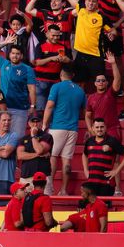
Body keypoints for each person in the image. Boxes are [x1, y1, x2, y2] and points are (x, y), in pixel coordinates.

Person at [42, 65, 85, 196]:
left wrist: (44, 125)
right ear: (72, 75)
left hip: (58, 126)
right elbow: (84, 110)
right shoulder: (80, 90)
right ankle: (64, 190)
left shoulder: (56, 87)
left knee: (53, 156)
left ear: (61, 74)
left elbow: (49, 106)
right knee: (67, 161)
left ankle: (48, 188)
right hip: (73, 129)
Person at [82, 117, 124, 197]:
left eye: (102, 127)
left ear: (105, 128)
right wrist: (85, 169)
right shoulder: (89, 141)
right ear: (93, 128)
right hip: (91, 182)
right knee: (89, 208)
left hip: (106, 184)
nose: (99, 129)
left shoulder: (112, 141)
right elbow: (84, 154)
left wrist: (116, 171)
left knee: (104, 208)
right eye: (97, 127)